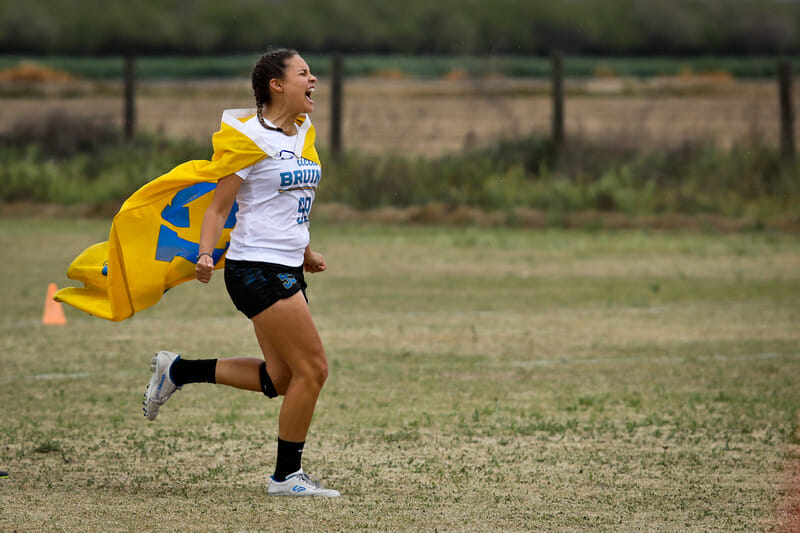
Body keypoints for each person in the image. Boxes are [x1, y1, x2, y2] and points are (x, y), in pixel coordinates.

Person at [142, 48, 339, 498]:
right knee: (314, 369)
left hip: (286, 265)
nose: (314, 81)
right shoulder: (247, 138)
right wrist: (206, 254)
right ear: (277, 84)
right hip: (256, 268)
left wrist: (305, 249)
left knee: (281, 378)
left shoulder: (302, 131)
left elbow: (290, 203)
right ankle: (286, 477)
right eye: (304, 73)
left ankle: (178, 370)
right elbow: (218, 206)